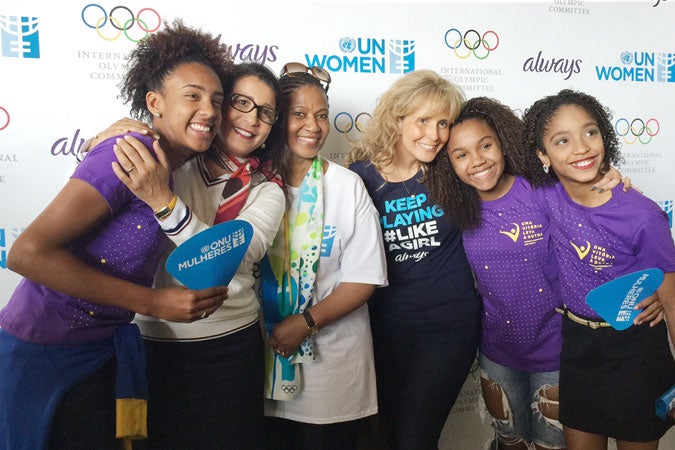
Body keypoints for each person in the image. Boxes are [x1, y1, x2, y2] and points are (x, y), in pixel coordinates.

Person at [0, 20, 231, 450]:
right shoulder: (126, 153)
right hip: (45, 349)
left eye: (216, 100)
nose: (209, 111)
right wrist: (154, 303)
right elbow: (26, 253)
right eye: (193, 97)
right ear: (155, 102)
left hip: (100, 349)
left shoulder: (173, 168)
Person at [426, 97, 662, 450]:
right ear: (450, 164)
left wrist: (650, 286)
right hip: (497, 352)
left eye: (486, 145)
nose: (477, 160)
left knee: (553, 445)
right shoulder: (455, 204)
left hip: (558, 351)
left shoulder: (544, 192)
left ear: (503, 144)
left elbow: (607, 217)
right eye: (461, 155)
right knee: (509, 441)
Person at [95, 62, 286, 450]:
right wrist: (102, 143)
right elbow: (92, 205)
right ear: (219, 106)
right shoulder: (167, 158)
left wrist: (162, 202)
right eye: (240, 103)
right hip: (153, 341)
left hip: (230, 347)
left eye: (265, 112)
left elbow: (222, 261)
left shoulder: (269, 191)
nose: (252, 119)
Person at [521, 89, 675, 450]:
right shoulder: (546, 195)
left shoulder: (643, 215)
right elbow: (486, 164)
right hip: (578, 347)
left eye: (590, 132)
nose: (581, 148)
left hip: (636, 350)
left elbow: (672, 302)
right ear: (543, 155)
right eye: (562, 140)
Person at [346, 69, 482, 450]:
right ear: (397, 118)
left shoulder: (452, 171)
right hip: (382, 329)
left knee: (415, 440)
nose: (435, 134)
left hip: (448, 328)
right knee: (385, 437)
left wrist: (600, 182)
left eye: (443, 123)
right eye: (423, 120)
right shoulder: (359, 178)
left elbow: (517, 186)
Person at [259, 62, 387, 450]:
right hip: (259, 364)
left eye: (321, 116)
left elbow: (363, 279)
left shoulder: (347, 186)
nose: (313, 127)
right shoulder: (251, 183)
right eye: (299, 114)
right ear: (277, 120)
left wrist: (305, 321)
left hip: (331, 368)